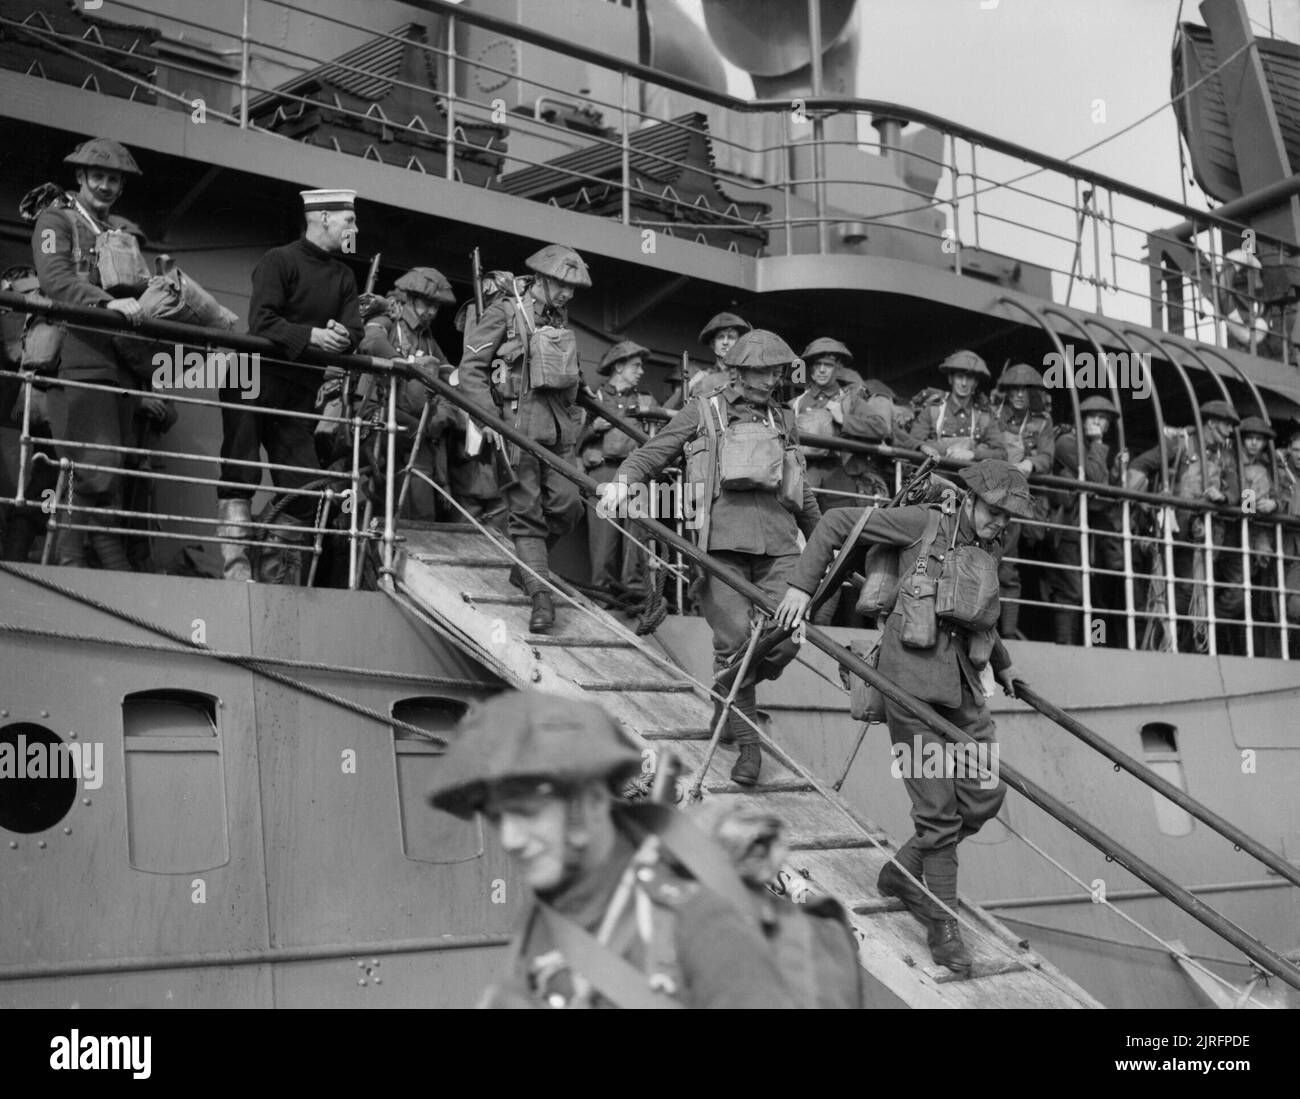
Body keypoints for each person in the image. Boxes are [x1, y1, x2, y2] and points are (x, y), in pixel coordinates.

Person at [774, 458, 1031, 975]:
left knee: (985, 794)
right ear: (972, 499)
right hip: (908, 683)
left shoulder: (989, 544)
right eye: (996, 511)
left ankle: (903, 872)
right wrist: (801, 587)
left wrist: (1004, 668)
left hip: (962, 686)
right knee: (937, 811)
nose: (1002, 522)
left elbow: (978, 611)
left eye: (1010, 516)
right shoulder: (924, 523)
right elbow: (837, 523)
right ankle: (942, 922)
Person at [425, 688, 797, 1009]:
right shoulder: (550, 916)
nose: (509, 839)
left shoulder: (699, 926)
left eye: (526, 812)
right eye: (495, 817)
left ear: (589, 803)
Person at [602, 330, 822, 786]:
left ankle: (726, 697)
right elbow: (653, 453)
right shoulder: (703, 410)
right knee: (737, 644)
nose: (770, 379)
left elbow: (800, 484)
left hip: (780, 546)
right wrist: (624, 482)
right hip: (720, 547)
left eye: (776, 370)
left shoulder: (783, 417)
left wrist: (821, 539)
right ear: (738, 372)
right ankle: (748, 745)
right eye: (760, 371)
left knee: (786, 639)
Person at [218, 188, 364, 584]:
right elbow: (262, 320)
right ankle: (236, 571)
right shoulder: (279, 260)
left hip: (298, 388)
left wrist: (341, 336)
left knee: (306, 491)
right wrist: (314, 337)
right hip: (251, 375)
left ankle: (270, 563)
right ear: (324, 218)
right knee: (240, 471)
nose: (355, 228)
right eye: (349, 220)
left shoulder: (344, 276)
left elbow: (354, 329)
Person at [26, 137, 159, 571]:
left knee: (110, 473)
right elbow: (55, 280)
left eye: (113, 179)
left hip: (125, 365)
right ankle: (68, 559)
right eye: (97, 176)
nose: (105, 185)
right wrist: (106, 302)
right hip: (81, 359)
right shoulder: (55, 221)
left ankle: (108, 564)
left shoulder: (125, 233)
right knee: (94, 465)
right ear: (81, 177)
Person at [457, 244, 591, 633]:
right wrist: (489, 422)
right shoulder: (504, 311)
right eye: (562, 285)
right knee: (527, 516)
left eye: (572, 288)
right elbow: (472, 370)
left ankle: (525, 569)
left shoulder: (559, 318)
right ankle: (540, 596)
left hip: (557, 434)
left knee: (569, 507)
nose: (567, 294)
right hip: (513, 432)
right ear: (542, 279)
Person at [1130, 399, 1242, 653]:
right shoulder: (1179, 443)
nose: (1229, 431)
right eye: (1227, 424)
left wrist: (1223, 498)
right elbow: (1140, 465)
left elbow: (1239, 492)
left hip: (1207, 534)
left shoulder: (1226, 456)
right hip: (1172, 530)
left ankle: (1179, 644)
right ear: (1212, 423)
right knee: (1168, 588)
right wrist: (1143, 506)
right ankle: (1164, 644)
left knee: (1197, 593)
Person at [352, 266, 456, 520]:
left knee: (419, 497)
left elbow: (449, 375)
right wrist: (404, 365)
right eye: (427, 303)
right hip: (376, 415)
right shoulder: (389, 319)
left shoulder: (428, 340)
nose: (431, 311)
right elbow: (372, 341)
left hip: (410, 425)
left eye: (436, 306)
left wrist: (447, 408)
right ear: (410, 297)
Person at [581, 339, 660, 608]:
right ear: (618, 366)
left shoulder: (646, 400)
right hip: (602, 474)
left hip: (634, 477)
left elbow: (659, 442)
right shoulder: (594, 398)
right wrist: (593, 429)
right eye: (635, 366)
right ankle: (601, 599)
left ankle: (634, 596)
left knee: (635, 541)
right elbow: (571, 439)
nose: (640, 372)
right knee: (603, 542)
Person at [980, 363, 1056, 638]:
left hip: (1016, 497)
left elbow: (1047, 457)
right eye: (1015, 389)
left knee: (1008, 567)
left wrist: (1031, 464)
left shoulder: (1042, 422)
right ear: (1007, 391)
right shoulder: (993, 415)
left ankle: (1008, 633)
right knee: (979, 560)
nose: (1020, 394)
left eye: (1025, 389)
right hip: (987, 492)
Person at [1044, 395, 1124, 647]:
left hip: (1085, 530)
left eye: (1103, 419)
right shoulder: (1069, 442)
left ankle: (1094, 644)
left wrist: (1115, 472)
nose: (1098, 423)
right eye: (1093, 417)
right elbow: (1093, 479)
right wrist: (1100, 445)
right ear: (1081, 419)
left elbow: (1101, 496)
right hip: (1065, 528)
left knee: (1093, 593)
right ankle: (1064, 646)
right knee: (1073, 591)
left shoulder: (1090, 449)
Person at [897, 349, 1006, 464]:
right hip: (935, 475)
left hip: (971, 478)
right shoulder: (934, 409)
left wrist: (973, 454)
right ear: (951, 379)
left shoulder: (984, 416)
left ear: (975, 383)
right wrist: (936, 449)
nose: (964, 383)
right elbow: (912, 440)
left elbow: (1002, 453)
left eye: (969, 378)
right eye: (959, 377)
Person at [663, 312, 748, 411]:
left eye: (731, 337)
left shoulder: (746, 377)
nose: (725, 342)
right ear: (713, 344)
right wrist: (690, 385)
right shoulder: (702, 377)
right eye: (720, 337)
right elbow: (667, 409)